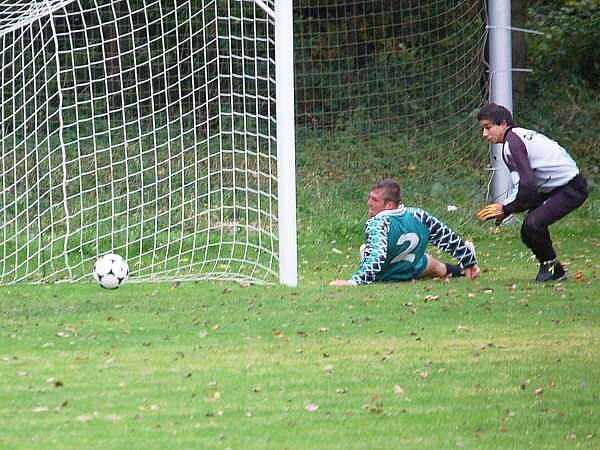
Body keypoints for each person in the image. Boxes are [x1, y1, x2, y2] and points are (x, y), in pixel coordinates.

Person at [476, 103, 589, 282]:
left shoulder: (512, 142)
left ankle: (553, 270)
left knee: (533, 225)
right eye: (483, 129)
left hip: (571, 187)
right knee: (528, 231)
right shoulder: (514, 138)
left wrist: (506, 209)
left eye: (488, 127)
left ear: (504, 123)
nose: (484, 134)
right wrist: (507, 208)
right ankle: (554, 270)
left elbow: (527, 185)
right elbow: (525, 186)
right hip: (555, 187)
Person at [330, 179, 480, 286]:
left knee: (365, 250)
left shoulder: (378, 223)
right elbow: (447, 238)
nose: (369, 202)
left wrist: (354, 282)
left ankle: (462, 267)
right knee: (431, 263)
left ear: (388, 205)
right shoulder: (419, 215)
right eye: (370, 197)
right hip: (411, 269)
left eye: (374, 200)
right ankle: (462, 269)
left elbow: (377, 256)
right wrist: (469, 260)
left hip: (384, 274)